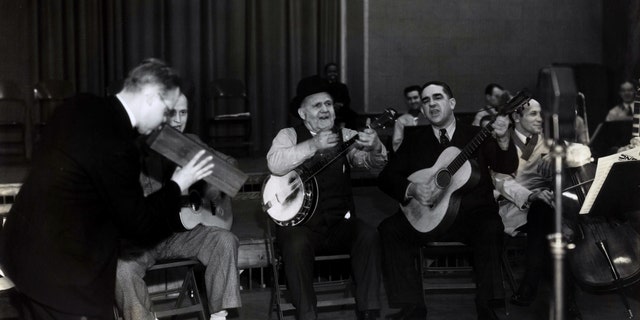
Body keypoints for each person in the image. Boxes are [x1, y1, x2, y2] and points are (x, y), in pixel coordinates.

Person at [0, 59, 215, 319]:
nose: (165, 121)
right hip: (58, 272)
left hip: (19, 252)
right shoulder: (119, 144)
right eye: (167, 110)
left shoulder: (80, 104)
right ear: (150, 97)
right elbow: (138, 227)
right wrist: (179, 183)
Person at [377, 81, 518, 320]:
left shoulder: (477, 135)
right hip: (429, 215)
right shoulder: (414, 140)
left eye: (438, 98)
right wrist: (412, 189)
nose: (431, 104)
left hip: (472, 217)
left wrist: (504, 141)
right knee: (389, 229)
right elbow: (386, 178)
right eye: (425, 101)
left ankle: (487, 306)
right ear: (422, 110)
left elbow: (506, 166)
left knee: (491, 227)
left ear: (451, 103)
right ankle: (412, 307)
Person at [266, 75, 386, 320]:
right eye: (317, 105)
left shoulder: (347, 135)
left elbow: (371, 164)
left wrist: (374, 147)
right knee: (295, 244)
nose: (324, 110)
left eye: (328, 104)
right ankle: (308, 315)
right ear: (302, 113)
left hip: (338, 224)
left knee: (368, 234)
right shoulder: (288, 135)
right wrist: (312, 145)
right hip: (301, 227)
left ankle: (370, 311)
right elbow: (275, 164)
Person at [115, 93, 241, 320]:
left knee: (224, 240)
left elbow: (230, 165)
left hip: (182, 235)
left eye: (183, 112)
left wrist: (214, 186)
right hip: (143, 240)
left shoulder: (191, 142)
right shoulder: (132, 149)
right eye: (171, 112)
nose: (177, 120)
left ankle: (220, 317)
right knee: (121, 268)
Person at [493, 99, 582, 319]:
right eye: (533, 114)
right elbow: (501, 181)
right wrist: (531, 195)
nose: (540, 119)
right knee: (546, 212)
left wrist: (560, 155)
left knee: (545, 210)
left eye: (542, 114)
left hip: (545, 210)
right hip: (514, 208)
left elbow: (583, 151)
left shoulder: (549, 141)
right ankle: (567, 300)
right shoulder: (501, 143)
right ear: (516, 117)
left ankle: (531, 282)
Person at [391, 85, 430, 152]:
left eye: (415, 98)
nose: (413, 101)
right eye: (409, 99)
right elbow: (396, 144)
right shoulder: (401, 120)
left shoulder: (430, 116)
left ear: (421, 98)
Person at [324, 62, 358, 129]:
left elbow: (347, 100)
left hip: (341, 109)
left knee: (352, 115)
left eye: (335, 72)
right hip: (328, 108)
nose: (333, 74)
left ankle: (350, 136)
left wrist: (341, 104)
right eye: (330, 72)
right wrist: (332, 105)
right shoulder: (322, 87)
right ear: (326, 73)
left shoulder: (342, 86)